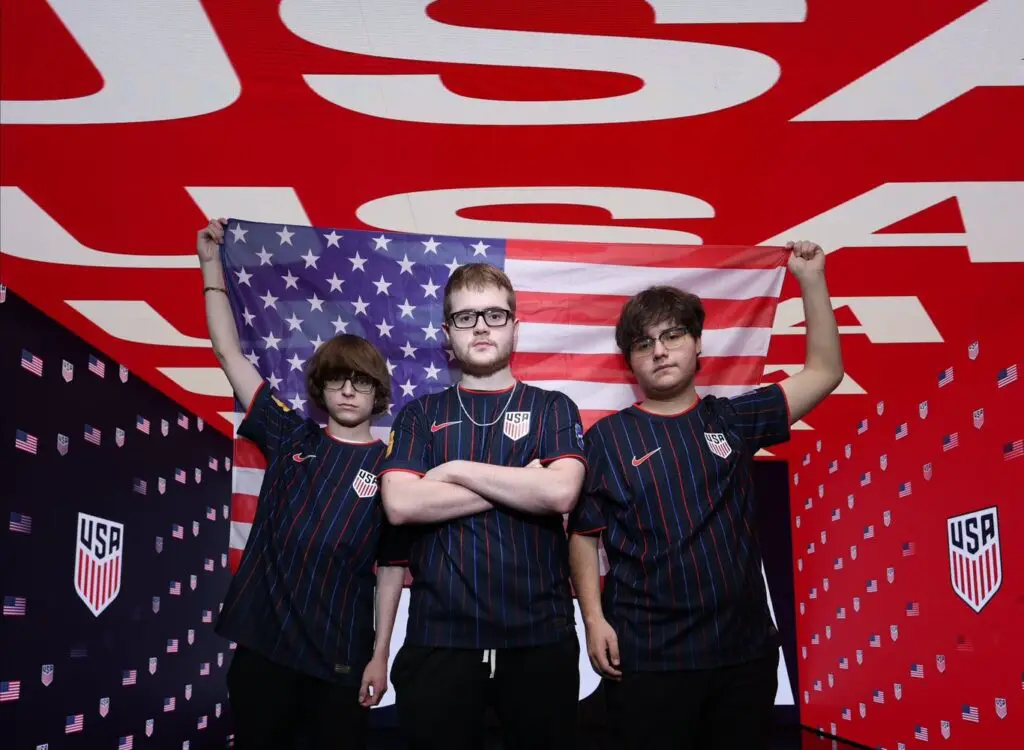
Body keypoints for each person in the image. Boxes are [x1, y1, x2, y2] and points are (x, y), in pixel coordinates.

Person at [568, 241, 843, 750]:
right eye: (644, 342)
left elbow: (825, 372)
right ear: (630, 361)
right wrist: (593, 619)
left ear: (698, 346)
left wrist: (811, 280)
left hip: (743, 656)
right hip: (647, 659)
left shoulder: (732, 419)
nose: (659, 350)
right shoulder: (606, 439)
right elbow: (584, 536)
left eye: (672, 335)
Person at [196, 218, 407, 749]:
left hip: (341, 657)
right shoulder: (290, 434)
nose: (349, 391)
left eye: (361, 381)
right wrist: (210, 267)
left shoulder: (393, 468)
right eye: (338, 379)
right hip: (265, 650)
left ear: (378, 393)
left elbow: (390, 570)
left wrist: (380, 655)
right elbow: (229, 355)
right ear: (321, 388)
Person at [378, 263, 587, 750]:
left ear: (515, 326)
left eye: (494, 315)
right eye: (465, 317)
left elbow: (560, 494)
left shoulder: (553, 407)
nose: (481, 328)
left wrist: (452, 470)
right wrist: (523, 481)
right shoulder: (420, 414)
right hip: (440, 642)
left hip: (539, 641)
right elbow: (401, 504)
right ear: (447, 333)